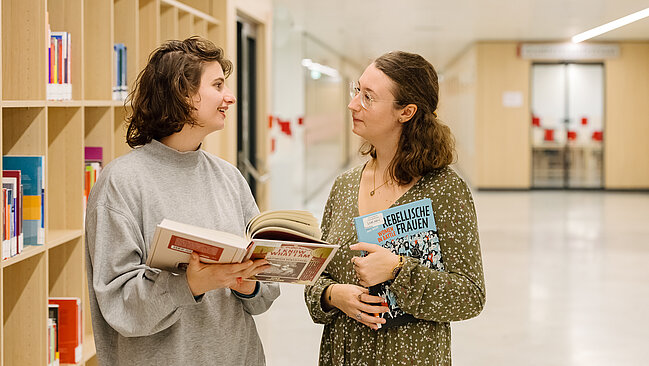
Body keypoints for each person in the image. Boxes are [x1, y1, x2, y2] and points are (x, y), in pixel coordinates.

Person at [85, 37, 280, 366]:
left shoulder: (229, 178)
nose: (229, 97)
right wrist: (190, 284)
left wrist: (249, 285)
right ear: (183, 94)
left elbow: (266, 291)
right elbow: (118, 305)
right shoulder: (121, 183)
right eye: (217, 85)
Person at [304, 51, 486, 365]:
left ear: (406, 112)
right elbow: (316, 277)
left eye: (368, 97)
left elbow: (470, 296)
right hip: (343, 354)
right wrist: (333, 295)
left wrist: (399, 270)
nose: (353, 104)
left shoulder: (443, 189)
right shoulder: (344, 186)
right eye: (356, 90)